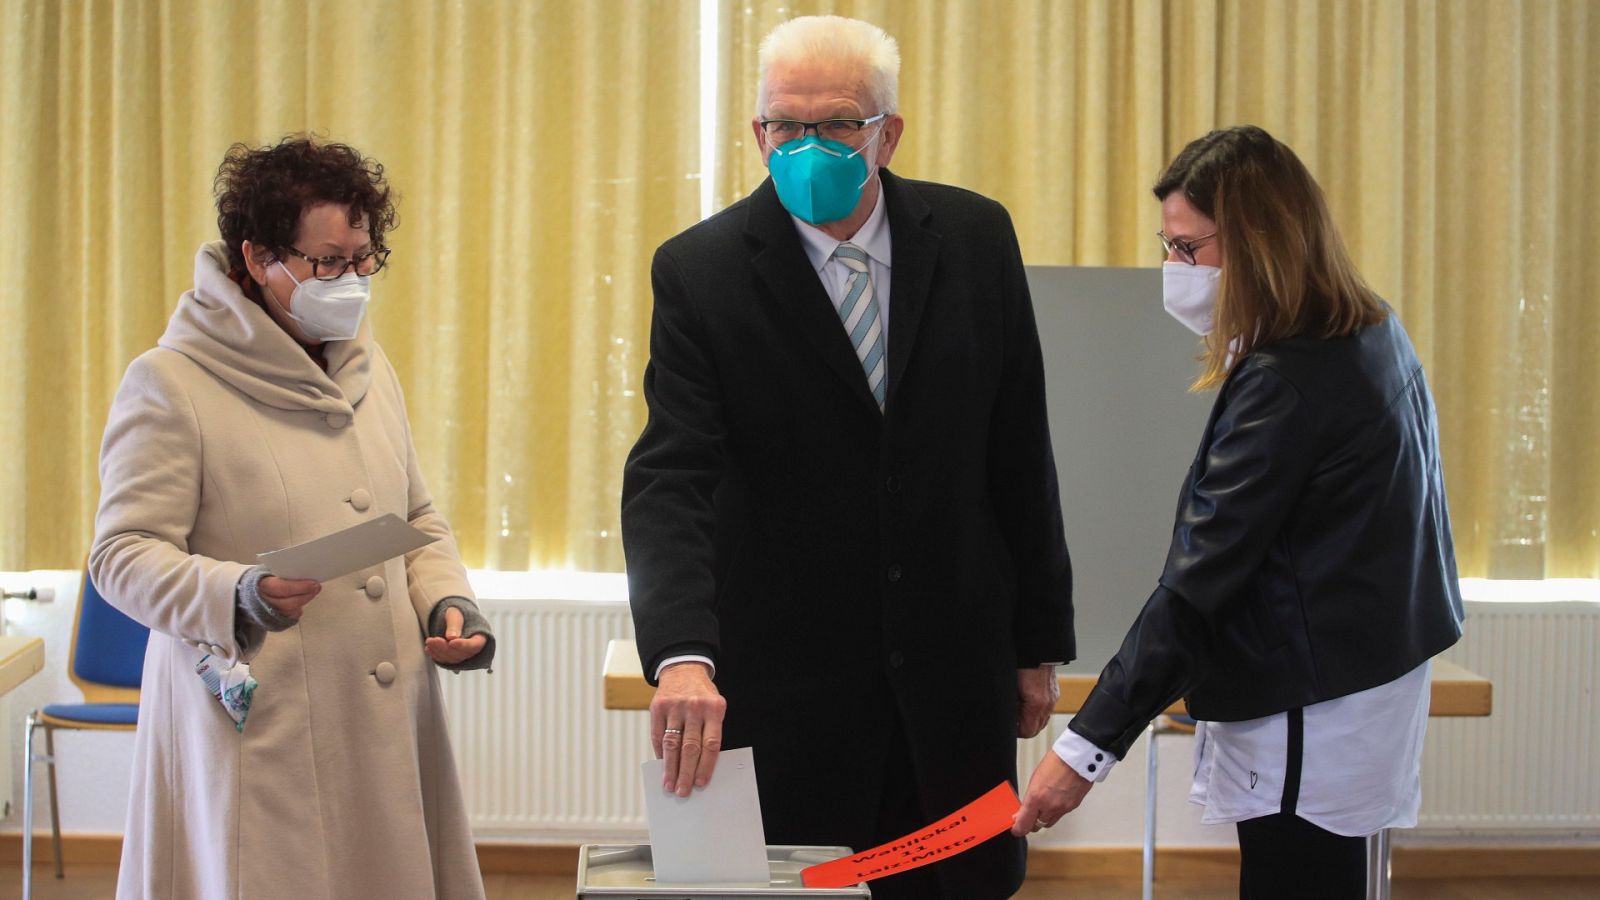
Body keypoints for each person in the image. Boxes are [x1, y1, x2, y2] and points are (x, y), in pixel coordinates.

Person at [621, 15, 1074, 899]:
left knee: (964, 884)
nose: (806, 145)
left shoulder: (977, 238)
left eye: (835, 123)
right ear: (757, 135)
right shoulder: (699, 272)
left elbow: (1020, 446)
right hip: (793, 692)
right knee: (812, 890)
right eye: (785, 126)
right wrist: (681, 650)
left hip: (956, 683)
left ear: (887, 133)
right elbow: (672, 476)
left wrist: (1038, 642)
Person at [1012, 125, 1465, 899]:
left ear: (1258, 243)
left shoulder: (1289, 382)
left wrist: (1085, 750)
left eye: (1190, 250)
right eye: (1168, 245)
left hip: (1315, 699)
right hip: (1366, 675)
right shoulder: (1368, 328)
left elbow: (1197, 583)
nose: (1173, 271)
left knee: (1298, 878)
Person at [91, 136, 494, 900]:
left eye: (363, 257)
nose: (350, 280)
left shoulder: (368, 368)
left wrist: (448, 602)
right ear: (258, 257)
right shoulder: (172, 382)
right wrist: (238, 591)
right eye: (327, 262)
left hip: (382, 724)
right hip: (262, 726)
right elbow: (121, 555)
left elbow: (417, 518)